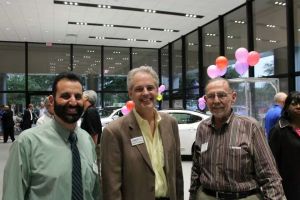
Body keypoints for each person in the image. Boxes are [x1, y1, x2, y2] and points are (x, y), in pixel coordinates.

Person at [3, 72, 101, 200]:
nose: (73, 102)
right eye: (65, 96)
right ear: (51, 100)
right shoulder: (27, 143)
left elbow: (94, 193)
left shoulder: (87, 140)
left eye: (78, 96)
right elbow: (12, 195)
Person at [189, 78, 286, 200]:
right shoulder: (202, 128)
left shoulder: (251, 127)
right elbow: (196, 169)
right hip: (206, 196)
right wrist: (192, 196)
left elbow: (269, 175)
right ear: (206, 100)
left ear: (233, 97)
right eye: (211, 96)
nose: (216, 100)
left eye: (222, 95)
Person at [101, 66, 183, 200]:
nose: (146, 93)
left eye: (150, 88)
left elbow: (177, 173)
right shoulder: (114, 131)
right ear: (130, 93)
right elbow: (111, 187)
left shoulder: (170, 123)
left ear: (157, 91)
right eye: (139, 89)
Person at [269, 91, 300, 200]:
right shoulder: (279, 130)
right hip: (289, 185)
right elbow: (271, 161)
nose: (298, 106)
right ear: (286, 107)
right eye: (294, 103)